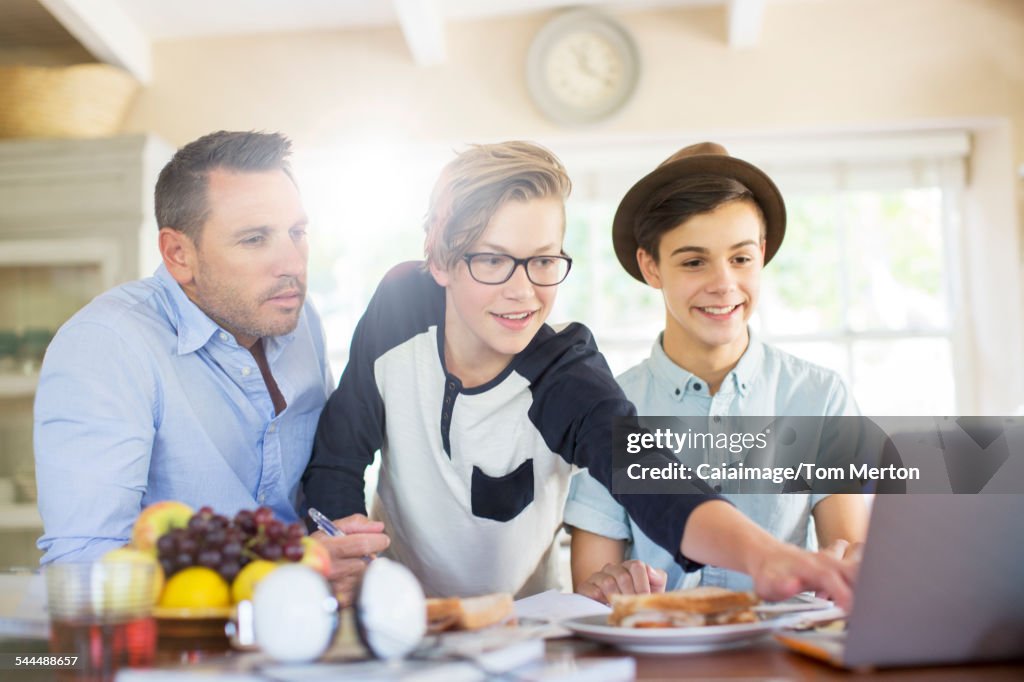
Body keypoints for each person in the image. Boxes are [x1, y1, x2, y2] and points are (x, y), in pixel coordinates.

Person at [303, 141, 857, 608]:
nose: (523, 292)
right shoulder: (400, 308)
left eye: (544, 261)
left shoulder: (565, 371)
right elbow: (338, 452)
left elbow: (652, 478)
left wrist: (765, 556)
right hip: (391, 608)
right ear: (441, 261)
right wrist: (345, 544)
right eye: (492, 260)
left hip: (521, 624)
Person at [34, 131, 386, 600]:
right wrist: (292, 569)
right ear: (179, 255)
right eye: (255, 238)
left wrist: (335, 553)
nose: (292, 264)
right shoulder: (107, 345)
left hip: (295, 631)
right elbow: (82, 569)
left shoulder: (300, 322)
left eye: (297, 233)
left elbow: (303, 503)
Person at [565, 141, 869, 605]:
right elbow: (590, 588)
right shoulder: (609, 412)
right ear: (651, 266)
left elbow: (848, 559)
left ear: (762, 254)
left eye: (741, 258)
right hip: (659, 662)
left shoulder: (820, 397)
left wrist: (847, 565)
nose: (724, 283)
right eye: (693, 261)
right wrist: (611, 585)